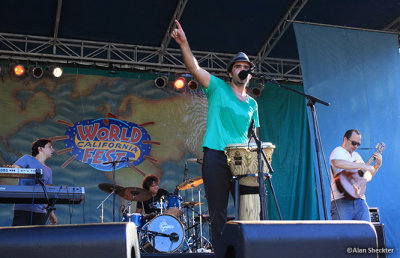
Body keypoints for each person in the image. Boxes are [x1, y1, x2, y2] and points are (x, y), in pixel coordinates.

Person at [172, 20, 260, 255]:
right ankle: (221, 253)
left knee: (249, 208)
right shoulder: (218, 87)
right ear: (231, 72)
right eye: (239, 66)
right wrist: (184, 43)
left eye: (246, 66)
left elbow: (254, 137)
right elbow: (194, 68)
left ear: (249, 74)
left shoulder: (252, 103)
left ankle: (248, 250)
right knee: (218, 211)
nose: (243, 69)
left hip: (242, 159)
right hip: (216, 156)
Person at [330, 129, 382, 221]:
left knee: (366, 232)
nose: (356, 146)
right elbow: (336, 162)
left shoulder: (357, 155)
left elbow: (366, 177)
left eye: (358, 144)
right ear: (345, 139)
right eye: (354, 143)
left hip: (360, 200)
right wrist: (361, 165)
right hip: (342, 199)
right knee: (341, 233)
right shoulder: (338, 151)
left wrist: (377, 165)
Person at [12, 138, 57, 226]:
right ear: (40, 148)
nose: (53, 150)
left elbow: (48, 194)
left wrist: (51, 214)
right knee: (18, 236)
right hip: (22, 208)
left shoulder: (49, 170)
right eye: (49, 147)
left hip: (40, 211)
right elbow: (15, 169)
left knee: (37, 239)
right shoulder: (27, 159)